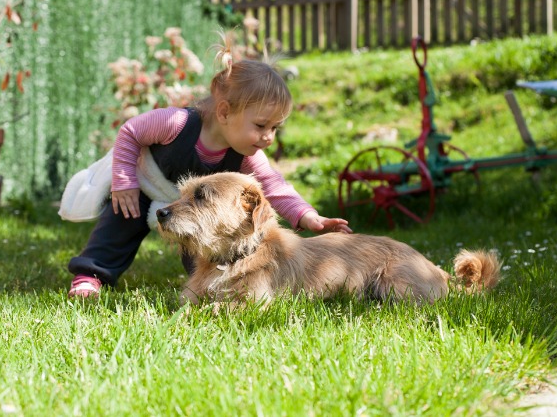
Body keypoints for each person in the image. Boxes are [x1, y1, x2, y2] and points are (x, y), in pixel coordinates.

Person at [67, 37, 353, 298]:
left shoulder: (248, 155)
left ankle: (206, 286)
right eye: (261, 125)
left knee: (213, 241)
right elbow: (130, 132)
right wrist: (125, 182)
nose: (268, 136)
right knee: (121, 221)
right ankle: (90, 274)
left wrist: (309, 217)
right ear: (225, 112)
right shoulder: (175, 123)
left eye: (275, 128)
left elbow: (275, 187)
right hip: (145, 185)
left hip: (193, 209)